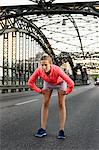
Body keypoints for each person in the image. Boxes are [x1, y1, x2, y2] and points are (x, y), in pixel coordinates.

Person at [28, 54, 74, 139]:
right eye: (42, 65)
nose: (44, 67)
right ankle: (42, 129)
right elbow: (30, 83)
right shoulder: (39, 70)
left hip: (60, 83)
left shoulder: (57, 69)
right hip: (48, 83)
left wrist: (67, 92)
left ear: (50, 64)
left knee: (61, 104)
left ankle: (61, 130)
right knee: (45, 103)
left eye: (46, 65)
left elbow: (71, 83)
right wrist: (40, 91)